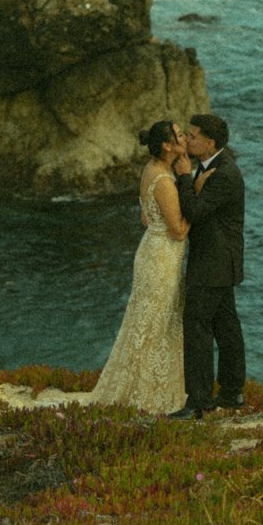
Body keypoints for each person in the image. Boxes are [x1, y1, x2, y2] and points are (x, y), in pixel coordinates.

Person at [90, 120, 193, 413]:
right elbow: (179, 230)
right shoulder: (164, 181)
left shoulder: (152, 170)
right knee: (158, 324)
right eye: (179, 134)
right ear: (167, 145)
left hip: (152, 250)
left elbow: (146, 218)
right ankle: (151, 394)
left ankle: (142, 386)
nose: (184, 136)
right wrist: (198, 205)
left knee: (147, 322)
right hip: (162, 258)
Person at [171, 112, 245, 419]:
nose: (187, 139)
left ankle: (199, 401)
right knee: (225, 326)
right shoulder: (216, 166)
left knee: (197, 326)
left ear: (209, 142)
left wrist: (185, 177)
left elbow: (195, 211)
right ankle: (231, 392)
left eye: (193, 135)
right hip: (220, 261)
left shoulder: (223, 173)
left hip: (212, 263)